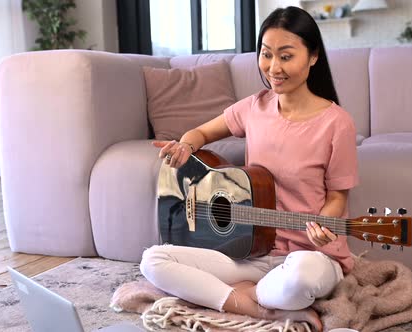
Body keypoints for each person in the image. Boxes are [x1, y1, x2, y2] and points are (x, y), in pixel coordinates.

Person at [140, 6, 358, 331]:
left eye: (286, 56)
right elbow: (200, 133)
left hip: (307, 255)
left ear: (313, 56)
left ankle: (241, 296)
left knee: (302, 278)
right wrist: (185, 145)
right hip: (250, 254)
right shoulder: (255, 107)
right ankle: (256, 307)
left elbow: (338, 196)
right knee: (154, 260)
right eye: (266, 54)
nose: (273, 67)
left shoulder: (336, 122)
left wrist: (325, 224)